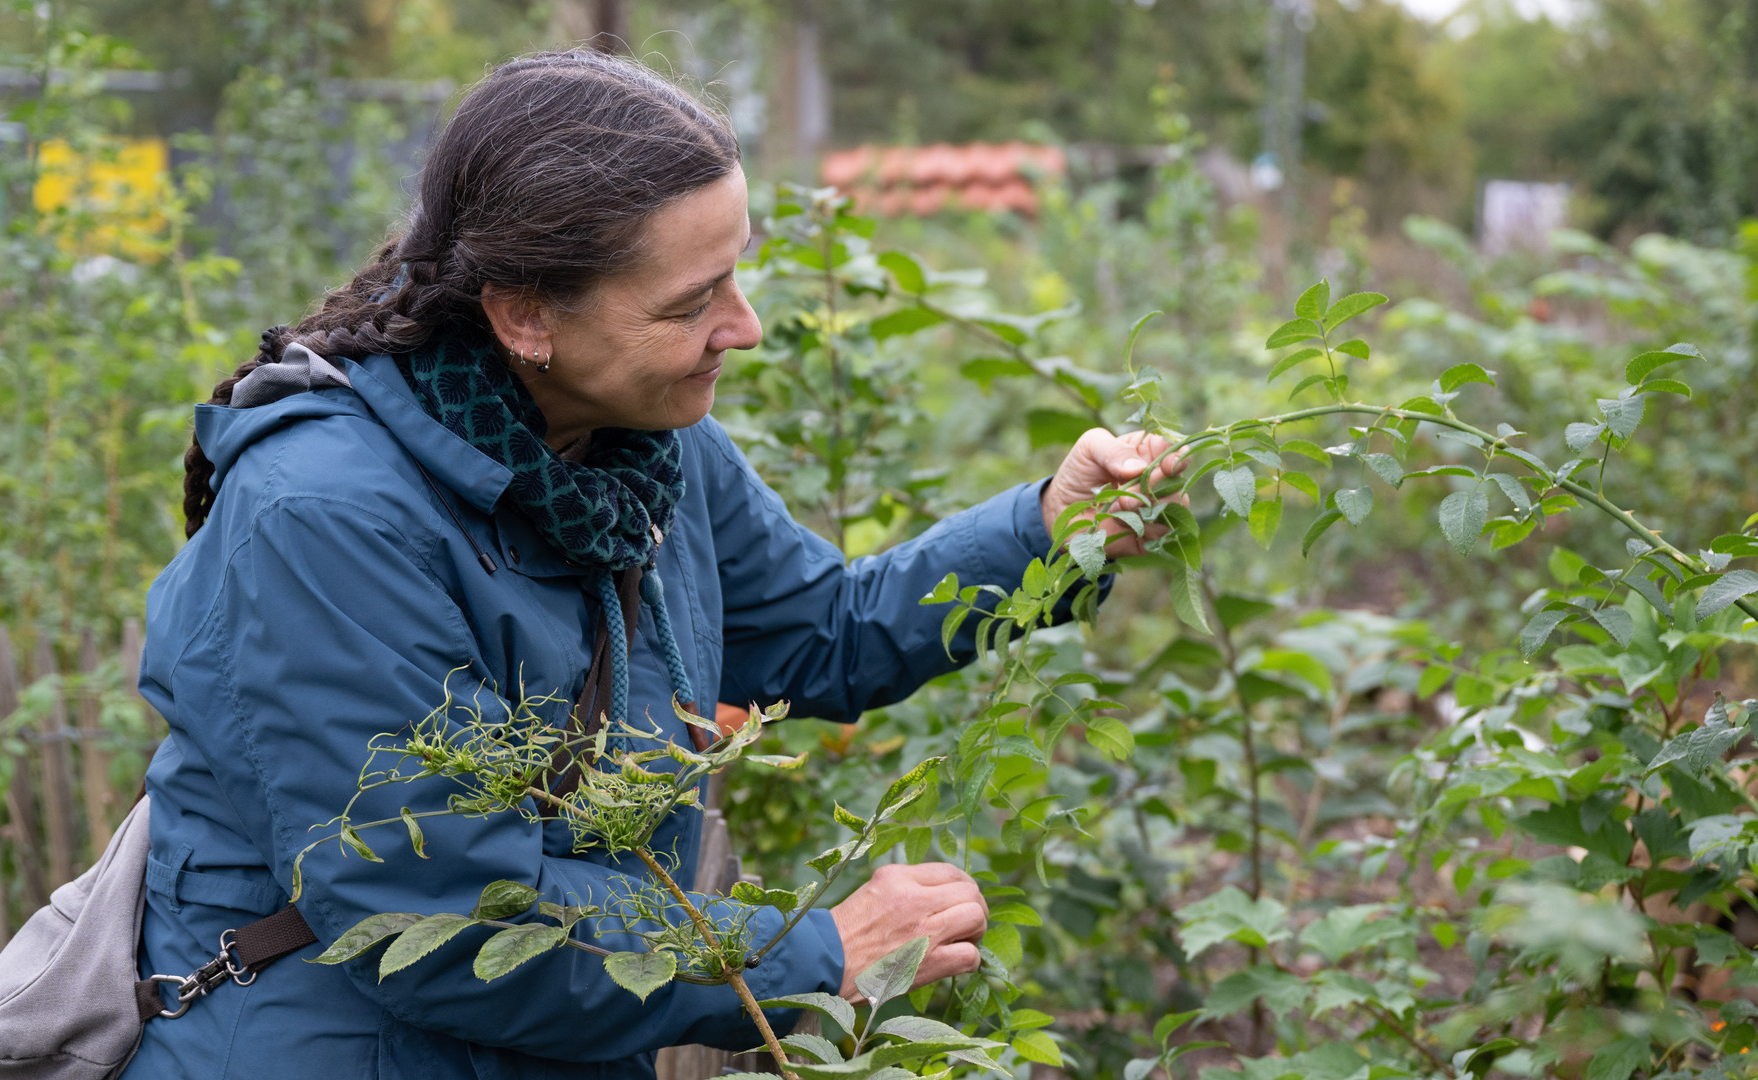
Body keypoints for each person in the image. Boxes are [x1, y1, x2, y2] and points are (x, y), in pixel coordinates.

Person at [125, 49, 1181, 1080]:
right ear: (527, 314)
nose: (747, 328)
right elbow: (436, 915)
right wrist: (820, 955)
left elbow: (818, 632)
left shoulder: (637, 444)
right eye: (691, 304)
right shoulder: (326, 516)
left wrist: (1049, 529)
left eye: (736, 276)